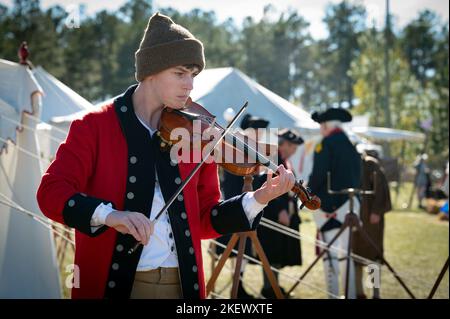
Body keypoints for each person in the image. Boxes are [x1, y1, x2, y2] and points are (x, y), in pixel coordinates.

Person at [36, 12, 296, 299]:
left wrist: (258, 199)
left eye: (193, 75)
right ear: (150, 71)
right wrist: (110, 216)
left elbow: (205, 218)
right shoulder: (93, 127)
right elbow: (50, 193)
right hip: (120, 285)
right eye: (180, 73)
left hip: (183, 285)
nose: (190, 85)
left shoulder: (194, 133)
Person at [307, 108, 361, 299]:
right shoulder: (351, 145)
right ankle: (351, 294)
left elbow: (319, 175)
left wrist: (307, 192)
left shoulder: (326, 144)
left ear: (327, 125)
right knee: (347, 254)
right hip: (349, 206)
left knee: (330, 256)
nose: (321, 130)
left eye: (321, 126)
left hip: (329, 208)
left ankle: (333, 295)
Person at [216, 113, 270, 299]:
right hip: (233, 198)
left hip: (245, 199)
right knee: (234, 246)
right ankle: (236, 288)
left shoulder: (251, 147)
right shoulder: (237, 143)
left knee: (244, 248)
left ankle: (238, 286)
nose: (260, 135)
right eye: (257, 131)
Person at [256, 128, 304, 298]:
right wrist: (281, 209)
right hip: (272, 214)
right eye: (293, 147)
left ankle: (274, 286)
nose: (294, 151)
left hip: (281, 215)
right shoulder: (274, 159)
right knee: (271, 252)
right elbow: (266, 183)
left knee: (277, 253)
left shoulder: (284, 160)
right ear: (287, 145)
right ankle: (269, 288)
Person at [352, 149, 392, 299]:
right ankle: (359, 293)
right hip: (355, 216)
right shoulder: (349, 163)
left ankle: (375, 293)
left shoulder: (370, 164)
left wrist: (376, 211)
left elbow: (381, 189)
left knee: (373, 255)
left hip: (371, 218)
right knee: (355, 254)